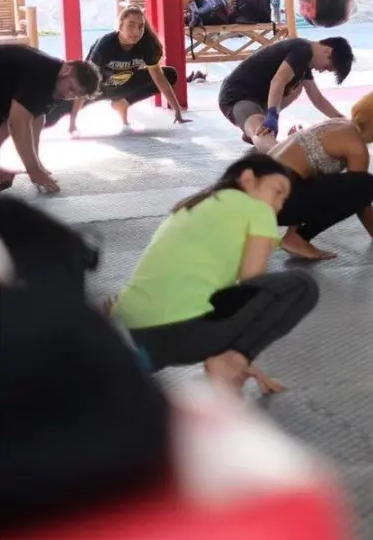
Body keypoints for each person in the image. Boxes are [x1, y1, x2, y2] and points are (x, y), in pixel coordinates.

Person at [111, 153, 319, 396]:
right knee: (300, 285)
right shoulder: (257, 209)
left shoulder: (195, 204)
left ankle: (136, 364)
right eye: (277, 190)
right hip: (181, 334)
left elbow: (223, 297)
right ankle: (229, 361)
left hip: (132, 329)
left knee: (217, 297)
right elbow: (252, 283)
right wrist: (241, 355)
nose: (280, 204)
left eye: (285, 198)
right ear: (248, 179)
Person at [269, 88, 373, 260]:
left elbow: (310, 176)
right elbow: (360, 195)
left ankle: (294, 233)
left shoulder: (339, 125)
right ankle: (297, 238)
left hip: (267, 194)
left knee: (337, 182)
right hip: (276, 200)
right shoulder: (356, 146)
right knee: (366, 185)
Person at [44, 5, 189, 134]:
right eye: (131, 25)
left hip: (123, 86)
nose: (136, 31)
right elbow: (84, 81)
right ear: (120, 25)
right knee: (51, 115)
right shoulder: (106, 45)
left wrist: (177, 110)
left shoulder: (147, 44)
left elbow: (158, 78)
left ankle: (123, 102)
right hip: (96, 89)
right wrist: (73, 120)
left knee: (169, 74)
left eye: (141, 26)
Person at [217, 36, 354, 153]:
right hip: (237, 96)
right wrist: (272, 116)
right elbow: (278, 80)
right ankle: (259, 133)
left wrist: (341, 119)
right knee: (263, 133)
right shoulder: (302, 49)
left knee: (296, 89)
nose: (322, 71)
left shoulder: (305, 63)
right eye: (327, 67)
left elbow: (316, 97)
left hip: (258, 98)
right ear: (327, 50)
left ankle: (254, 129)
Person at [0, 45, 100, 193]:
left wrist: (36, 164)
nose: (69, 95)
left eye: (76, 94)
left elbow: (36, 118)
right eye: (71, 88)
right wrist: (33, 169)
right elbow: (18, 123)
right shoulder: (42, 74)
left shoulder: (58, 85)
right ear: (68, 69)